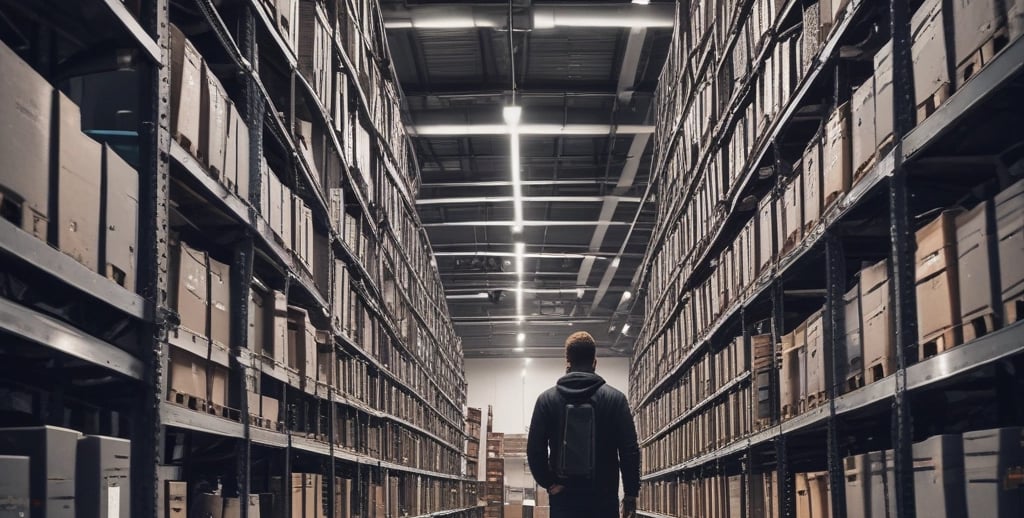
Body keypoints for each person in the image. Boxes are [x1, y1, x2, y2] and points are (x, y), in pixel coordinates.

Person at [526, 331, 640, 518]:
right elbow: (630, 451)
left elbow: (534, 450)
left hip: (564, 499)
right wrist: (630, 494)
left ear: (567, 362)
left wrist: (549, 483)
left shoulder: (546, 400)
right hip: (604, 499)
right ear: (595, 362)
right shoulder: (616, 399)